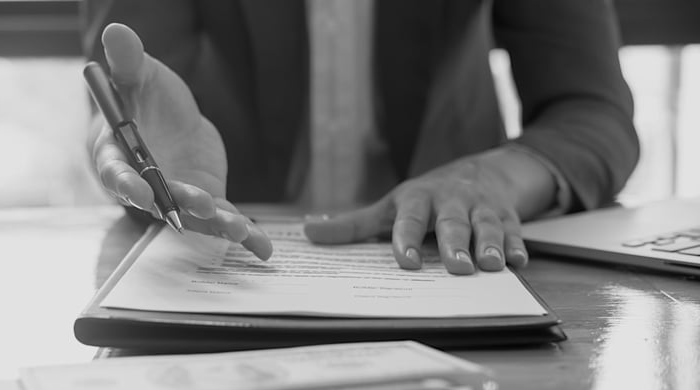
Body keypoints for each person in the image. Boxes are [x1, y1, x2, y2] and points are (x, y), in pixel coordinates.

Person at [81, 0, 639, 274]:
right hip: (230, 261)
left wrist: (495, 177)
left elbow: (592, 111)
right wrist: (141, 158)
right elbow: (131, 90)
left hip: (448, 260)